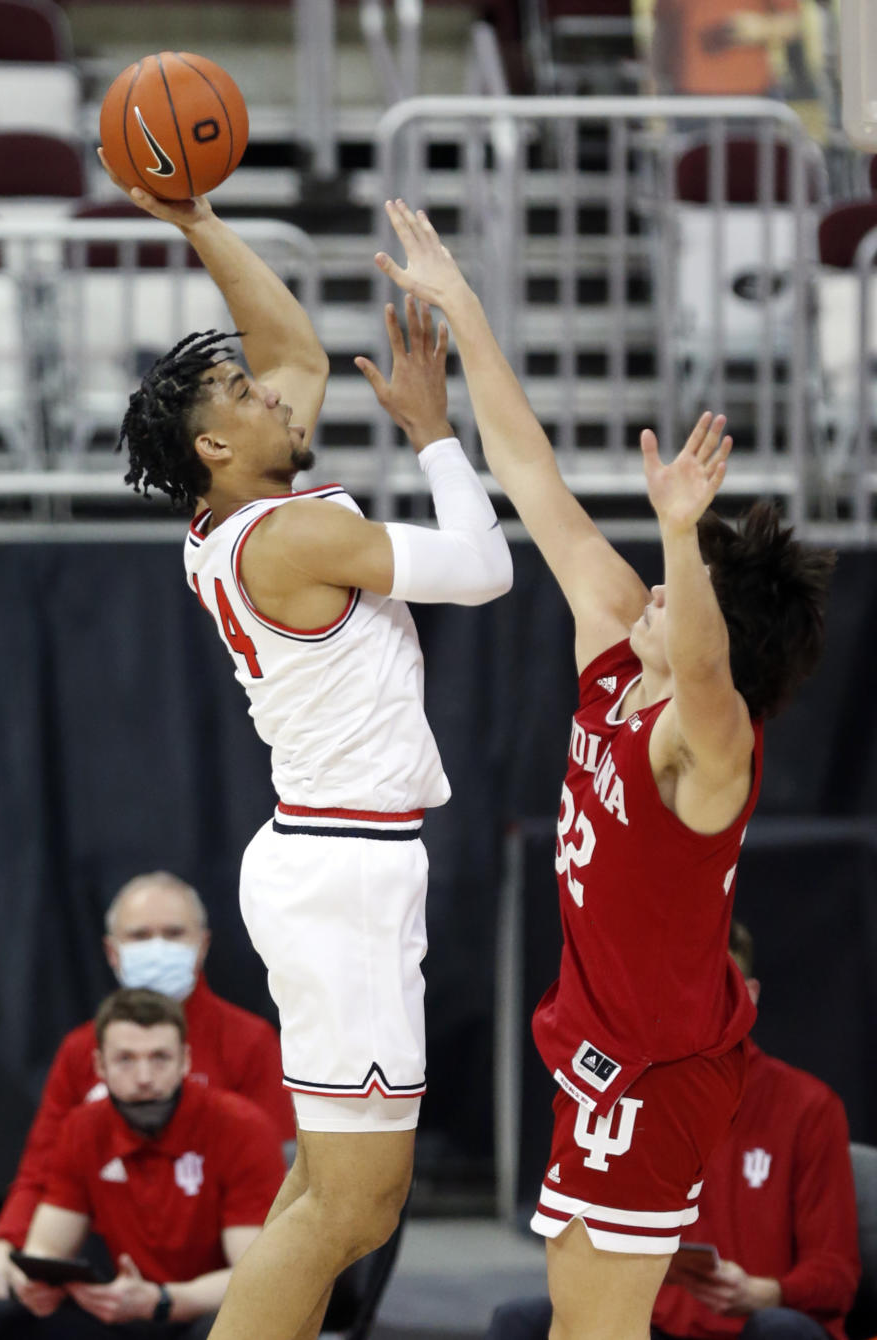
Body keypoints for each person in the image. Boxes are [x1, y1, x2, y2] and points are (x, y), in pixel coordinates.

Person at [374, 199, 834, 1340]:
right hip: (606, 1050)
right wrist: (467, 313)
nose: (657, 591)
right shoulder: (620, 645)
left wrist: (686, 532)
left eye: (683, 596)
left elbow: (715, 676)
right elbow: (533, 479)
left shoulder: (708, 749)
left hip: (656, 1069)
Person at [96, 150, 513, 1340]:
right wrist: (436, 435)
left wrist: (200, 219)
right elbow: (482, 571)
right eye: (243, 400)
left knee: (330, 1198)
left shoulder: (226, 513)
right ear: (219, 451)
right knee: (354, 1210)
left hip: (335, 859)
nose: (276, 396)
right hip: (343, 872)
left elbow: (296, 356)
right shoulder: (285, 538)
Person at [483, 920, 861, 1340]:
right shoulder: (640, 1093)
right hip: (656, 1324)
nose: (698, 1013)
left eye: (715, 996)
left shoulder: (808, 1106)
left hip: (756, 1327)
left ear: (747, 999)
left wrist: (764, 1292)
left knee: (780, 1332)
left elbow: (836, 1273)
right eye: (687, 995)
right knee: (520, 1321)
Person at [0, 871, 293, 1305]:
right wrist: (3, 1246)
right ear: (112, 951)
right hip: (110, 1245)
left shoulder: (249, 1044)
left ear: (203, 944)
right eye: (140, 936)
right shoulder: (81, 1052)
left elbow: (274, 1175)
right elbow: (40, 1171)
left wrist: (178, 1296)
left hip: (221, 1247)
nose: (143, 1078)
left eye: (173, 934)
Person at [0, 987, 286, 1339]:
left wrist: (164, 1300)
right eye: (126, 1059)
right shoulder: (82, 1127)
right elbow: (47, 1248)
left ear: (185, 1060)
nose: (145, 1078)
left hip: (204, 1307)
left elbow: (254, 1276)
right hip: (122, 1307)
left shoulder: (242, 1126)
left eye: (160, 1058)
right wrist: (37, 1284)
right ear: (100, 1066)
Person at [650, 0, 802, 99]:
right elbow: (662, 31)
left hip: (752, 93)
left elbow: (793, 22)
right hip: (690, 94)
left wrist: (762, 28)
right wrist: (653, 84)